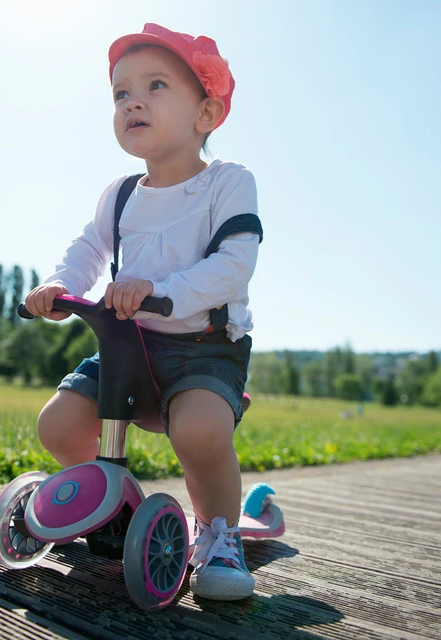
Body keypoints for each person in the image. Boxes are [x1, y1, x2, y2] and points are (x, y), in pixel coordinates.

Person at [24, 23, 263, 601]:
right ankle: (111, 508)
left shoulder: (227, 184)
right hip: (126, 342)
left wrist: (159, 289)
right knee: (56, 425)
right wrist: (61, 284)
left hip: (202, 346)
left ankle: (218, 535)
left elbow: (235, 262)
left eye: (156, 85)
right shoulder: (122, 194)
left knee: (200, 431)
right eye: (120, 93)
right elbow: (88, 250)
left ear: (205, 114)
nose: (132, 100)